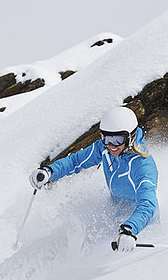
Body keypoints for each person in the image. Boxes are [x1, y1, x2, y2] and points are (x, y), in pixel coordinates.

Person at [29, 106, 159, 252]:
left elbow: (148, 204)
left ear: (131, 137)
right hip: (117, 220)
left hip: (140, 232)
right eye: (106, 138)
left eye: (117, 140)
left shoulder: (143, 166)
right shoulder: (104, 149)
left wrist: (129, 230)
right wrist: (49, 171)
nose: (111, 146)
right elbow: (75, 161)